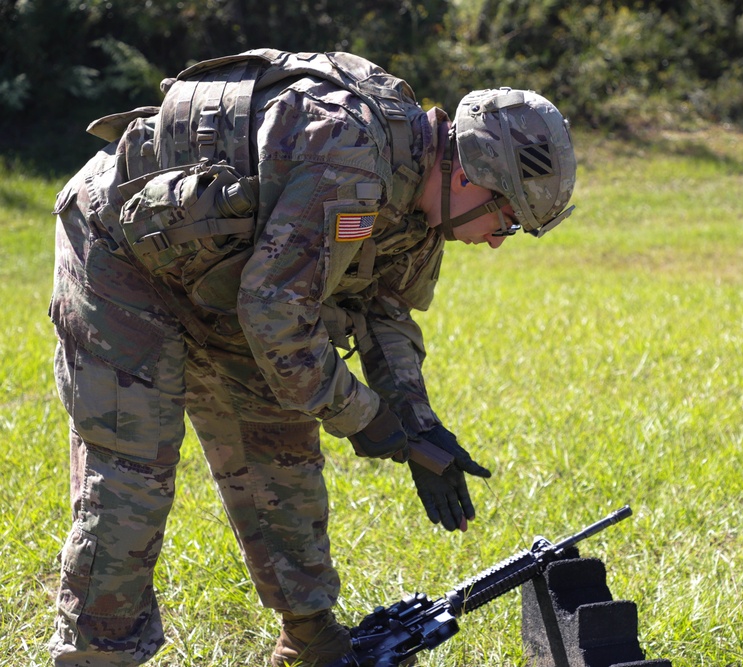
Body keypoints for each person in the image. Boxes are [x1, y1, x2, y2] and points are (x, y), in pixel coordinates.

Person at [46, 49, 576, 667]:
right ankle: (94, 656)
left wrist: (418, 425)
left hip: (231, 282)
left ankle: (310, 642)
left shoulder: (419, 203)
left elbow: (383, 311)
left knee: (281, 451)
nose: (495, 241)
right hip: (124, 256)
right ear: (468, 176)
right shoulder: (348, 157)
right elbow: (278, 320)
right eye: (505, 220)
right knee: (134, 478)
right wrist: (368, 419)